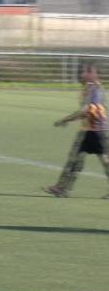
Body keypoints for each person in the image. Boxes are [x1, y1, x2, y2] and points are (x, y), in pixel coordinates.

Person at [44, 63, 109, 198]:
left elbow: (84, 111)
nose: (82, 74)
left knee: (102, 160)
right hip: (91, 130)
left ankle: (62, 188)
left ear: (93, 73)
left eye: (85, 72)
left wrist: (66, 119)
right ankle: (62, 188)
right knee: (75, 159)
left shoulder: (93, 88)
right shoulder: (92, 87)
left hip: (95, 131)